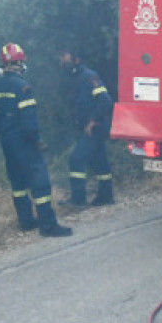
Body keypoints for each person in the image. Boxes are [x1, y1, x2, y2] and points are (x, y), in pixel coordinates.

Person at [0, 43, 72, 238]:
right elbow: (29, 123)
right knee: (40, 183)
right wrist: (36, 141)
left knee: (17, 183)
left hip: (7, 142)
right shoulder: (22, 87)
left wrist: (6, 133)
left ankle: (26, 221)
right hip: (24, 142)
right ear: (19, 63)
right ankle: (48, 225)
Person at [59, 50, 115, 206]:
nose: (62, 62)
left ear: (77, 59)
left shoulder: (89, 77)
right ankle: (106, 196)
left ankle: (78, 199)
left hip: (95, 127)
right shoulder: (73, 79)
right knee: (99, 161)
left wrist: (92, 120)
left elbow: (105, 101)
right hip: (86, 127)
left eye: (65, 58)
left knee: (76, 159)